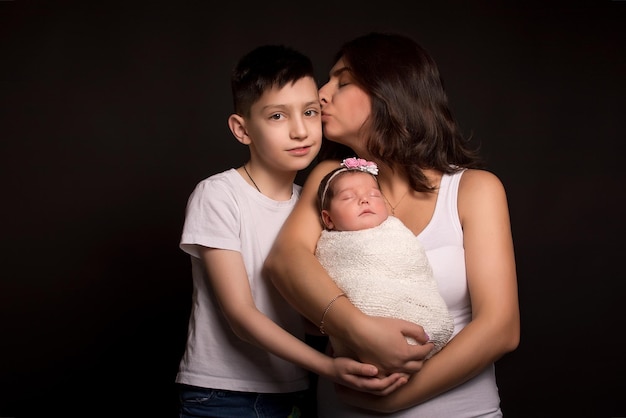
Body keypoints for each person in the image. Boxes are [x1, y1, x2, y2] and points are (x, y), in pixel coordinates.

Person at [264, 32, 520, 417]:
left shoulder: (474, 190)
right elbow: (285, 261)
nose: (321, 93)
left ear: (391, 91)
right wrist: (358, 329)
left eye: (343, 81)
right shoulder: (329, 178)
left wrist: (395, 399)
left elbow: (500, 328)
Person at [175, 44, 405, 418]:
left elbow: (311, 313)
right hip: (223, 393)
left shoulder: (316, 208)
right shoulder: (218, 194)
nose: (300, 131)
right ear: (242, 129)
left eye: (310, 112)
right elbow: (241, 315)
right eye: (278, 116)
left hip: (296, 390)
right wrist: (329, 366)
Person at [314, 157, 453, 360]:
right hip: (365, 329)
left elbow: (415, 270)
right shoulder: (330, 247)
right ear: (329, 219)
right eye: (348, 198)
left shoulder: (395, 231)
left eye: (374, 194)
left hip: (415, 309)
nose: (365, 200)